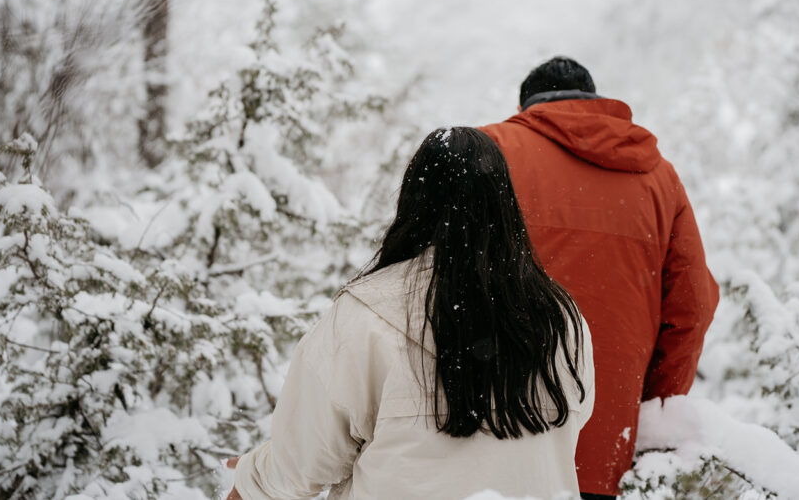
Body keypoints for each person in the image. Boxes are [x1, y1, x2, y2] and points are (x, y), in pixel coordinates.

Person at [226, 127, 595, 500]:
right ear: (503, 205)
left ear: (415, 202)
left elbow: (301, 463)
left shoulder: (366, 314)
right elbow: (565, 430)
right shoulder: (563, 320)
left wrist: (249, 478)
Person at [480, 57, 720, 500]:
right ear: (596, 102)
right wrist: (649, 409)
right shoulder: (658, 177)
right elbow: (693, 307)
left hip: (495, 435)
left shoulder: (490, 152)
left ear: (527, 107)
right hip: (608, 448)